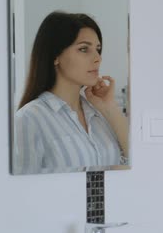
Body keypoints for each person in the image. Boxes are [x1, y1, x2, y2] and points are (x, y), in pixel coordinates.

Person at [13, 11, 128, 174]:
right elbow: (21, 190)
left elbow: (139, 166)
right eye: (84, 49)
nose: (98, 58)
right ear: (55, 56)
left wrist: (111, 108)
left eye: (98, 49)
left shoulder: (100, 115)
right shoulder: (29, 119)